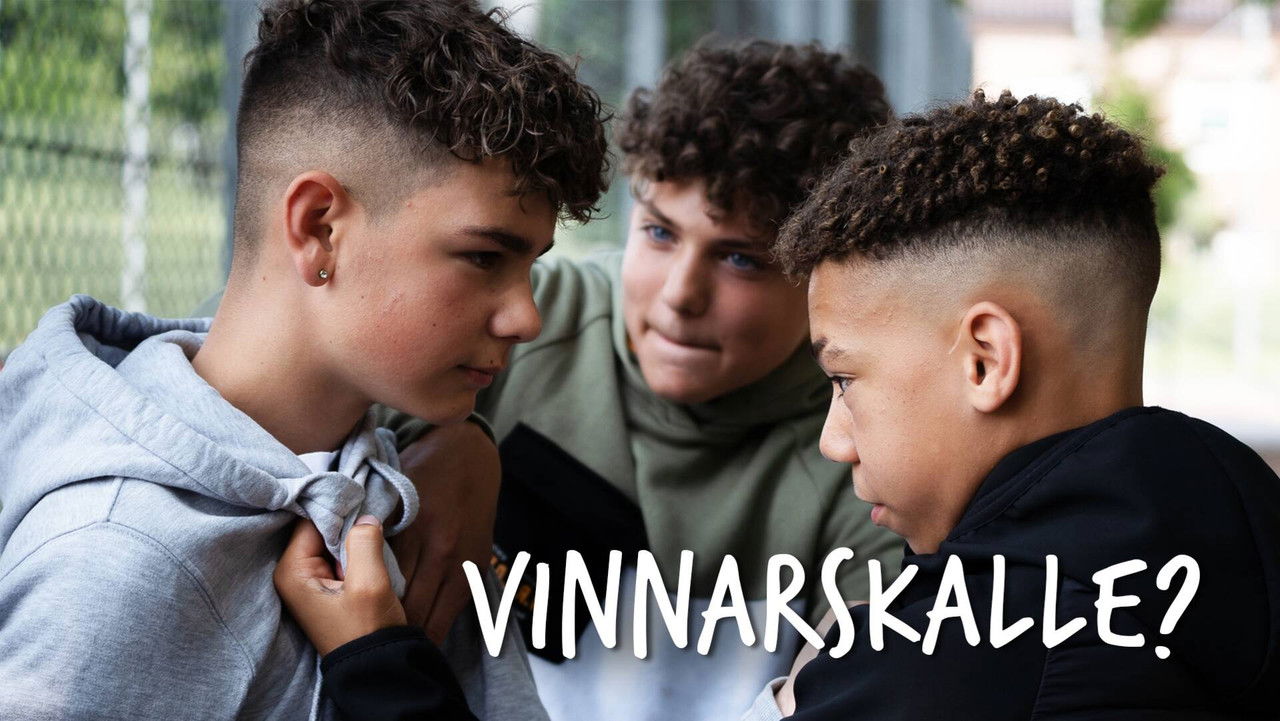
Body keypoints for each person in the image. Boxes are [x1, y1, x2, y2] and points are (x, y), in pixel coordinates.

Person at [277, 90, 1280, 721]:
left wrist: (379, 669)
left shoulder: (946, 661)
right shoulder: (1232, 507)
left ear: (985, 359)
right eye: (658, 232)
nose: (836, 438)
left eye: (844, 379)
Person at [0, 1, 609, 719]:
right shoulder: (115, 571)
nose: (527, 318)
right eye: (483, 257)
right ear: (319, 229)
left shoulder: (394, 473)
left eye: (531, 266)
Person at [373, 37, 903, 721]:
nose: (680, 295)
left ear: (826, 274)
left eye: (741, 260)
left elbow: (856, 689)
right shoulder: (517, 320)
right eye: (659, 233)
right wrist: (438, 439)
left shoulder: (868, 447)